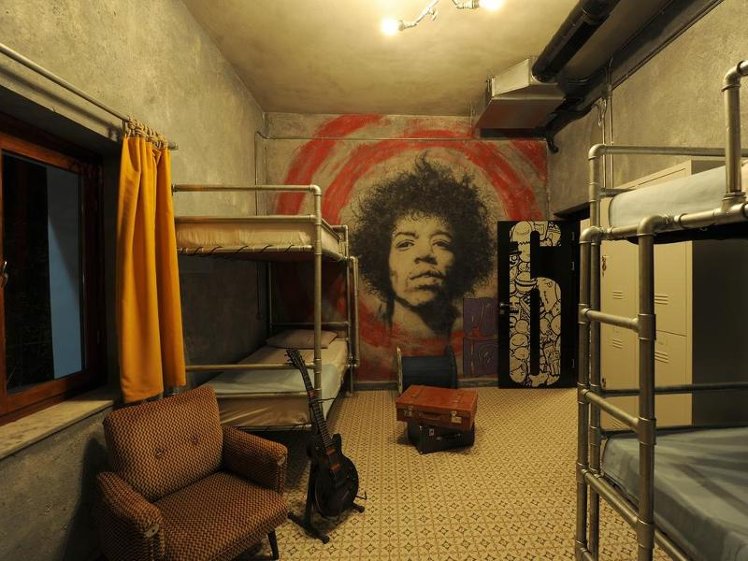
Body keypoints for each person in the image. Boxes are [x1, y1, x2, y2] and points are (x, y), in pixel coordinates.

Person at [350, 157, 494, 339]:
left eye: (441, 243)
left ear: (462, 257)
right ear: (382, 259)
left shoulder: (474, 332)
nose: (425, 253)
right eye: (405, 244)